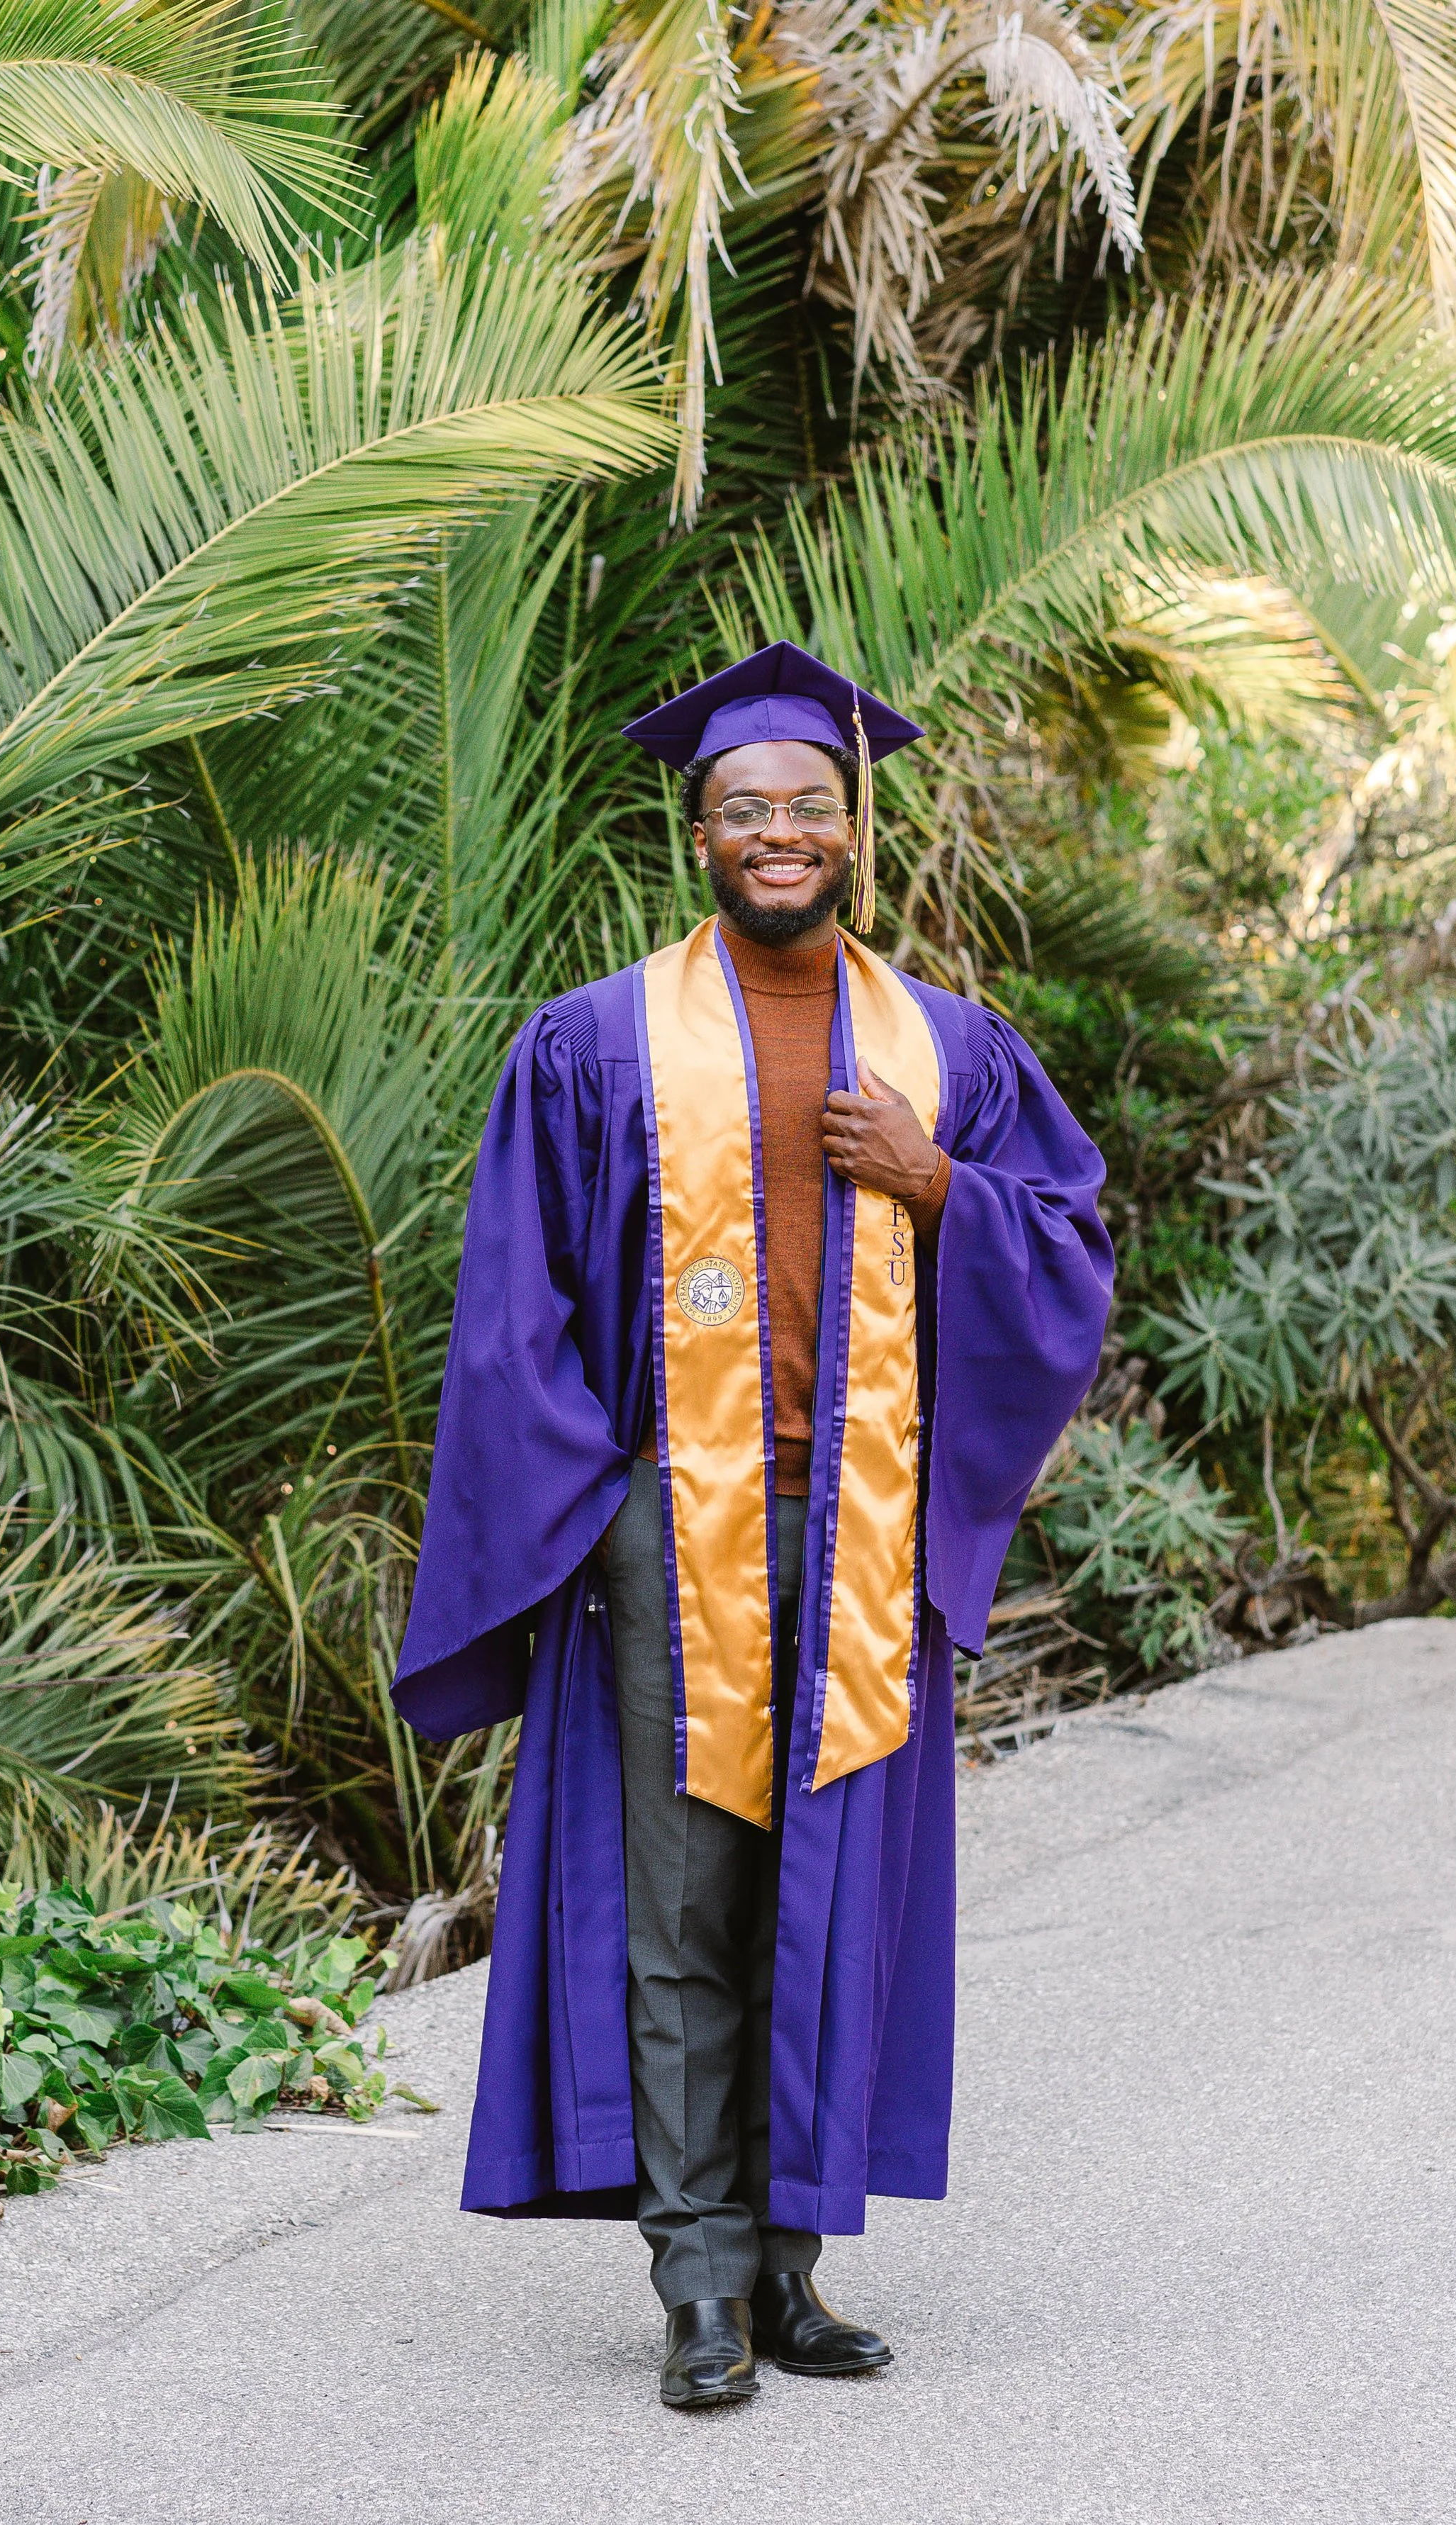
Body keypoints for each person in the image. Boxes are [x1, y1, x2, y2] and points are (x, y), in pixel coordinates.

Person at [393, 641, 1113, 2409]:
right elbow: (512, 1308)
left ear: (856, 830)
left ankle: (792, 2263)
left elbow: (1071, 1243)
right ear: (697, 832)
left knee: (822, 1882)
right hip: (673, 1519)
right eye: (744, 807)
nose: (777, 830)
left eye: (808, 804)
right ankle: (698, 2280)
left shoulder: (944, 1047)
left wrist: (935, 1182)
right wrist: (605, 1503)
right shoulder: (592, 1040)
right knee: (685, 1888)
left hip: (856, 1515)